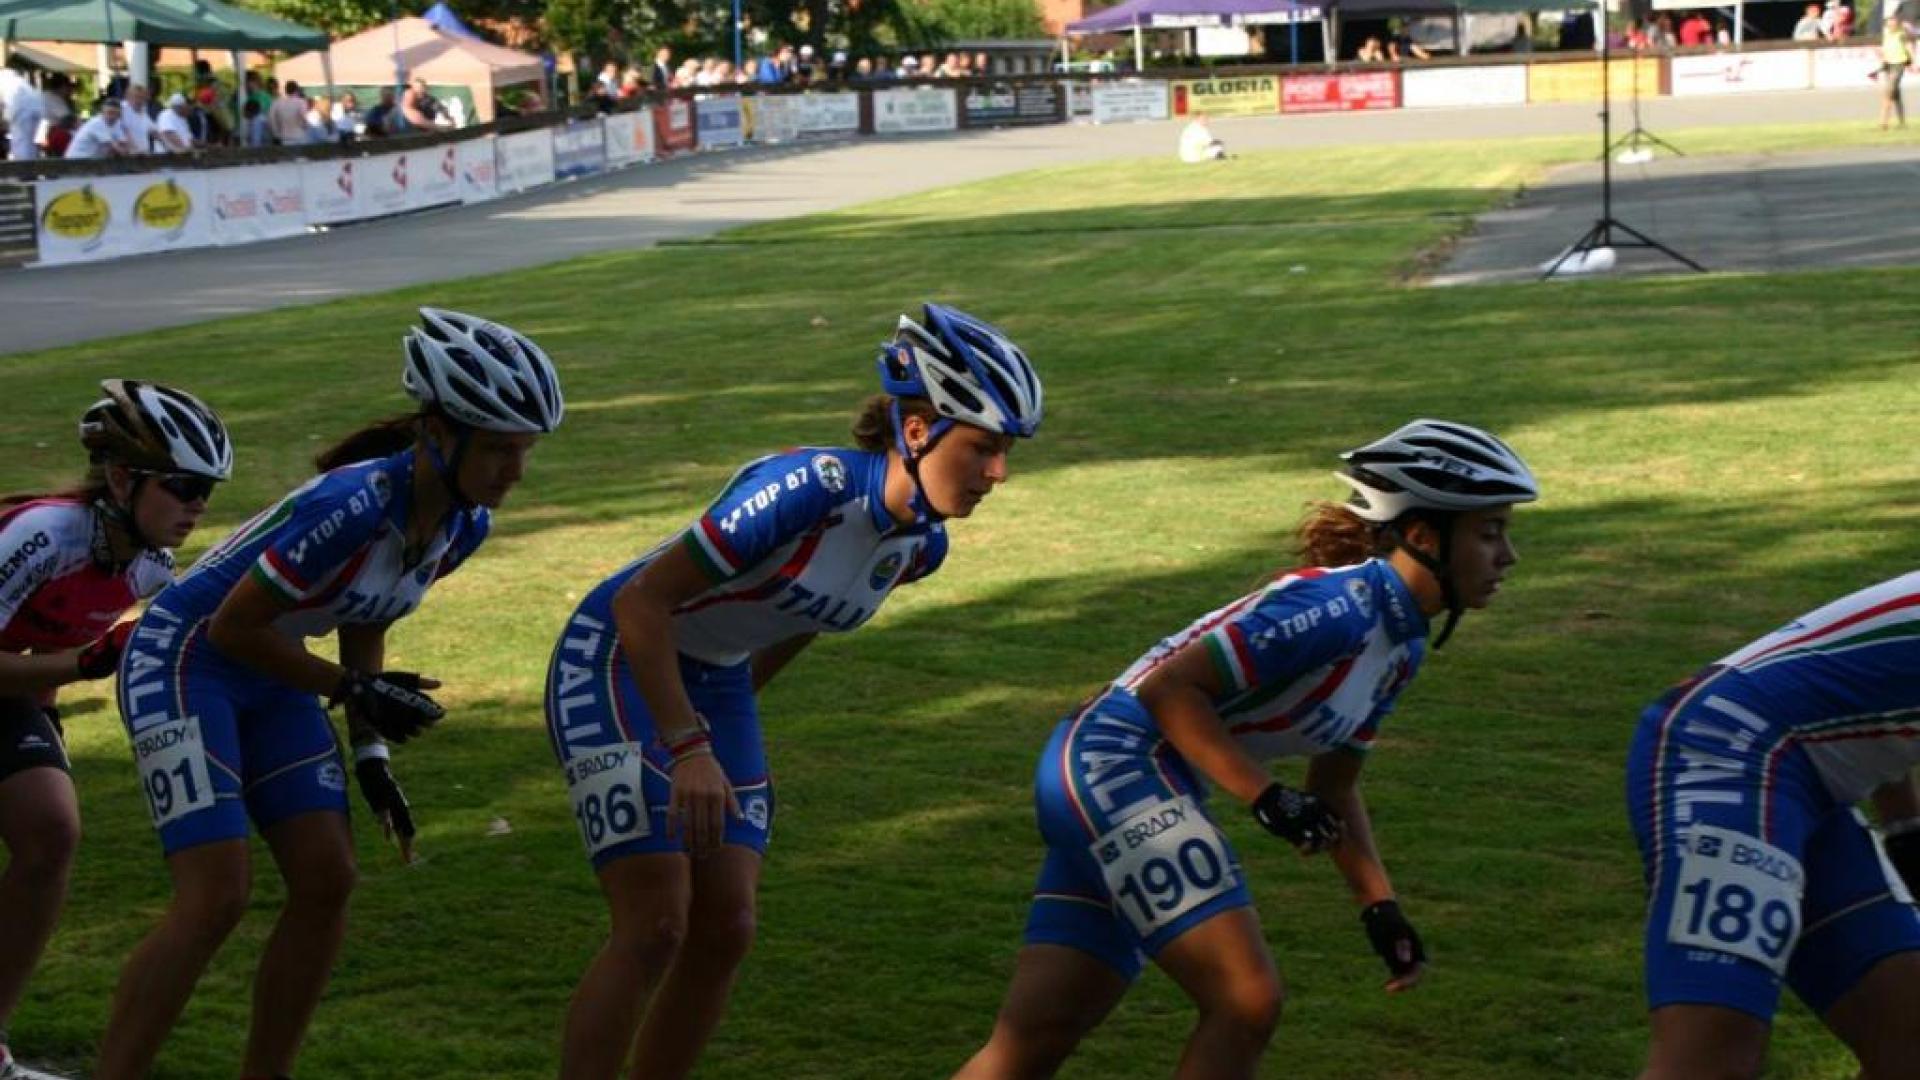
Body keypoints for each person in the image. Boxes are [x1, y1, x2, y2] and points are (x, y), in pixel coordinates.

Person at [951, 419, 1539, 1080]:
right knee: (1246, 1000)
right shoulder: (1341, 609)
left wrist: (1380, 907)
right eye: (1490, 533)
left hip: (1124, 776)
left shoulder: (1399, 646)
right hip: (1115, 761)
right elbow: (1169, 690)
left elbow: (1334, 788)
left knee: (1035, 1038)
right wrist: (1264, 796)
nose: (1508, 556)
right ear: (1425, 537)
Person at [549, 303, 1043, 1080]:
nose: (999, 474)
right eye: (983, 447)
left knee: (728, 929)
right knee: (655, 926)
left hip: (715, 678)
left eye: (1005, 452)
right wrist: (689, 748)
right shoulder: (806, 490)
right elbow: (641, 603)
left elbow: (805, 616)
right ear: (917, 431)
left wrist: (727, 722)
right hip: (616, 654)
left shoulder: (920, 548)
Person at [92, 309, 565, 1080]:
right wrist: (352, 688)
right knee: (216, 895)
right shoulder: (352, 506)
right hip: (187, 658)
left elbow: (367, 612)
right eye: (498, 448)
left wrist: (371, 753)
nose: (515, 469)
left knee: (328, 879)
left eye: (526, 449)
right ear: (438, 433)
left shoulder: (463, 523)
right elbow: (231, 629)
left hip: (273, 666)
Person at [0, 382, 229, 1080]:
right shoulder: (43, 536)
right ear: (123, 479)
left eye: (207, 491)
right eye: (183, 486)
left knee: (50, 832)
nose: (197, 506)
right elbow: (71, 655)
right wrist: (85, 662)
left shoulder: (149, 565)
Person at [1628, 572, 1920, 1080]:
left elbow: (1882, 694)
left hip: (1807, 777)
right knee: (1713, 1052)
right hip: (1728, 750)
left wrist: (1906, 826)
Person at [64, 98, 132, 160]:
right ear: (103, 112)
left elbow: (123, 144)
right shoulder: (97, 123)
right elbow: (113, 147)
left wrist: (127, 148)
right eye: (109, 112)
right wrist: (128, 152)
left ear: (119, 114)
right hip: (75, 160)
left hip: (89, 161)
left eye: (115, 113)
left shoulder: (116, 123)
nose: (111, 116)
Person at [1880, 14, 1912, 130]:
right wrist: (1883, 61)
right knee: (1895, 94)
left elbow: (1908, 47)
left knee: (1889, 91)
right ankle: (1902, 122)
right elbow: (1885, 48)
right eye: (1889, 22)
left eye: (1893, 21)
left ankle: (1884, 121)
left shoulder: (1901, 34)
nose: (1891, 24)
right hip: (1888, 64)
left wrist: (1913, 62)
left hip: (1899, 64)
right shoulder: (1886, 33)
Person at [118, 84, 155, 154]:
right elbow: (124, 130)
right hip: (127, 155)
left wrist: (169, 145)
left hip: (142, 154)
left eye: (142, 97)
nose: (139, 100)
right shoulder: (121, 109)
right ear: (127, 97)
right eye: (136, 97)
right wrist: (134, 149)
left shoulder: (143, 111)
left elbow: (154, 131)